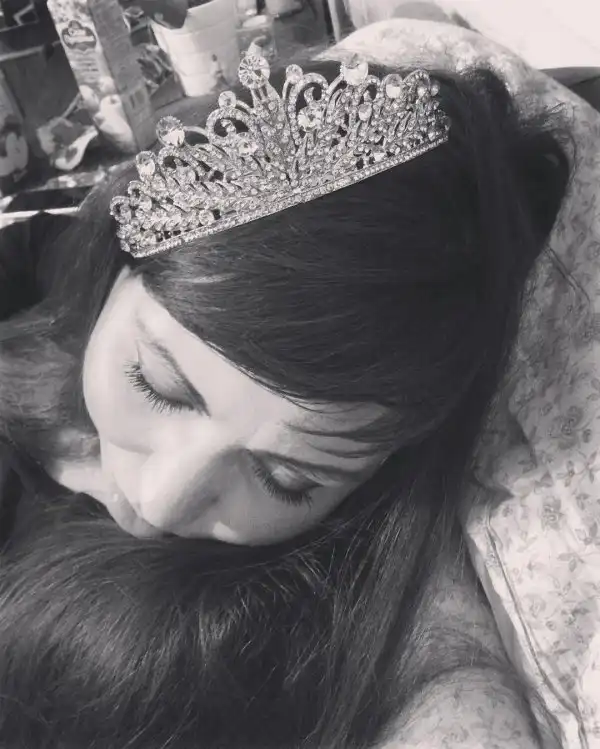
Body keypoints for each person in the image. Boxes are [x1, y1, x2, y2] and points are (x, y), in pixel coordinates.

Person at [0, 50, 574, 748]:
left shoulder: (312, 647)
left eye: (285, 478)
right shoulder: (43, 266)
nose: (161, 503)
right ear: (117, 263)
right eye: (160, 385)